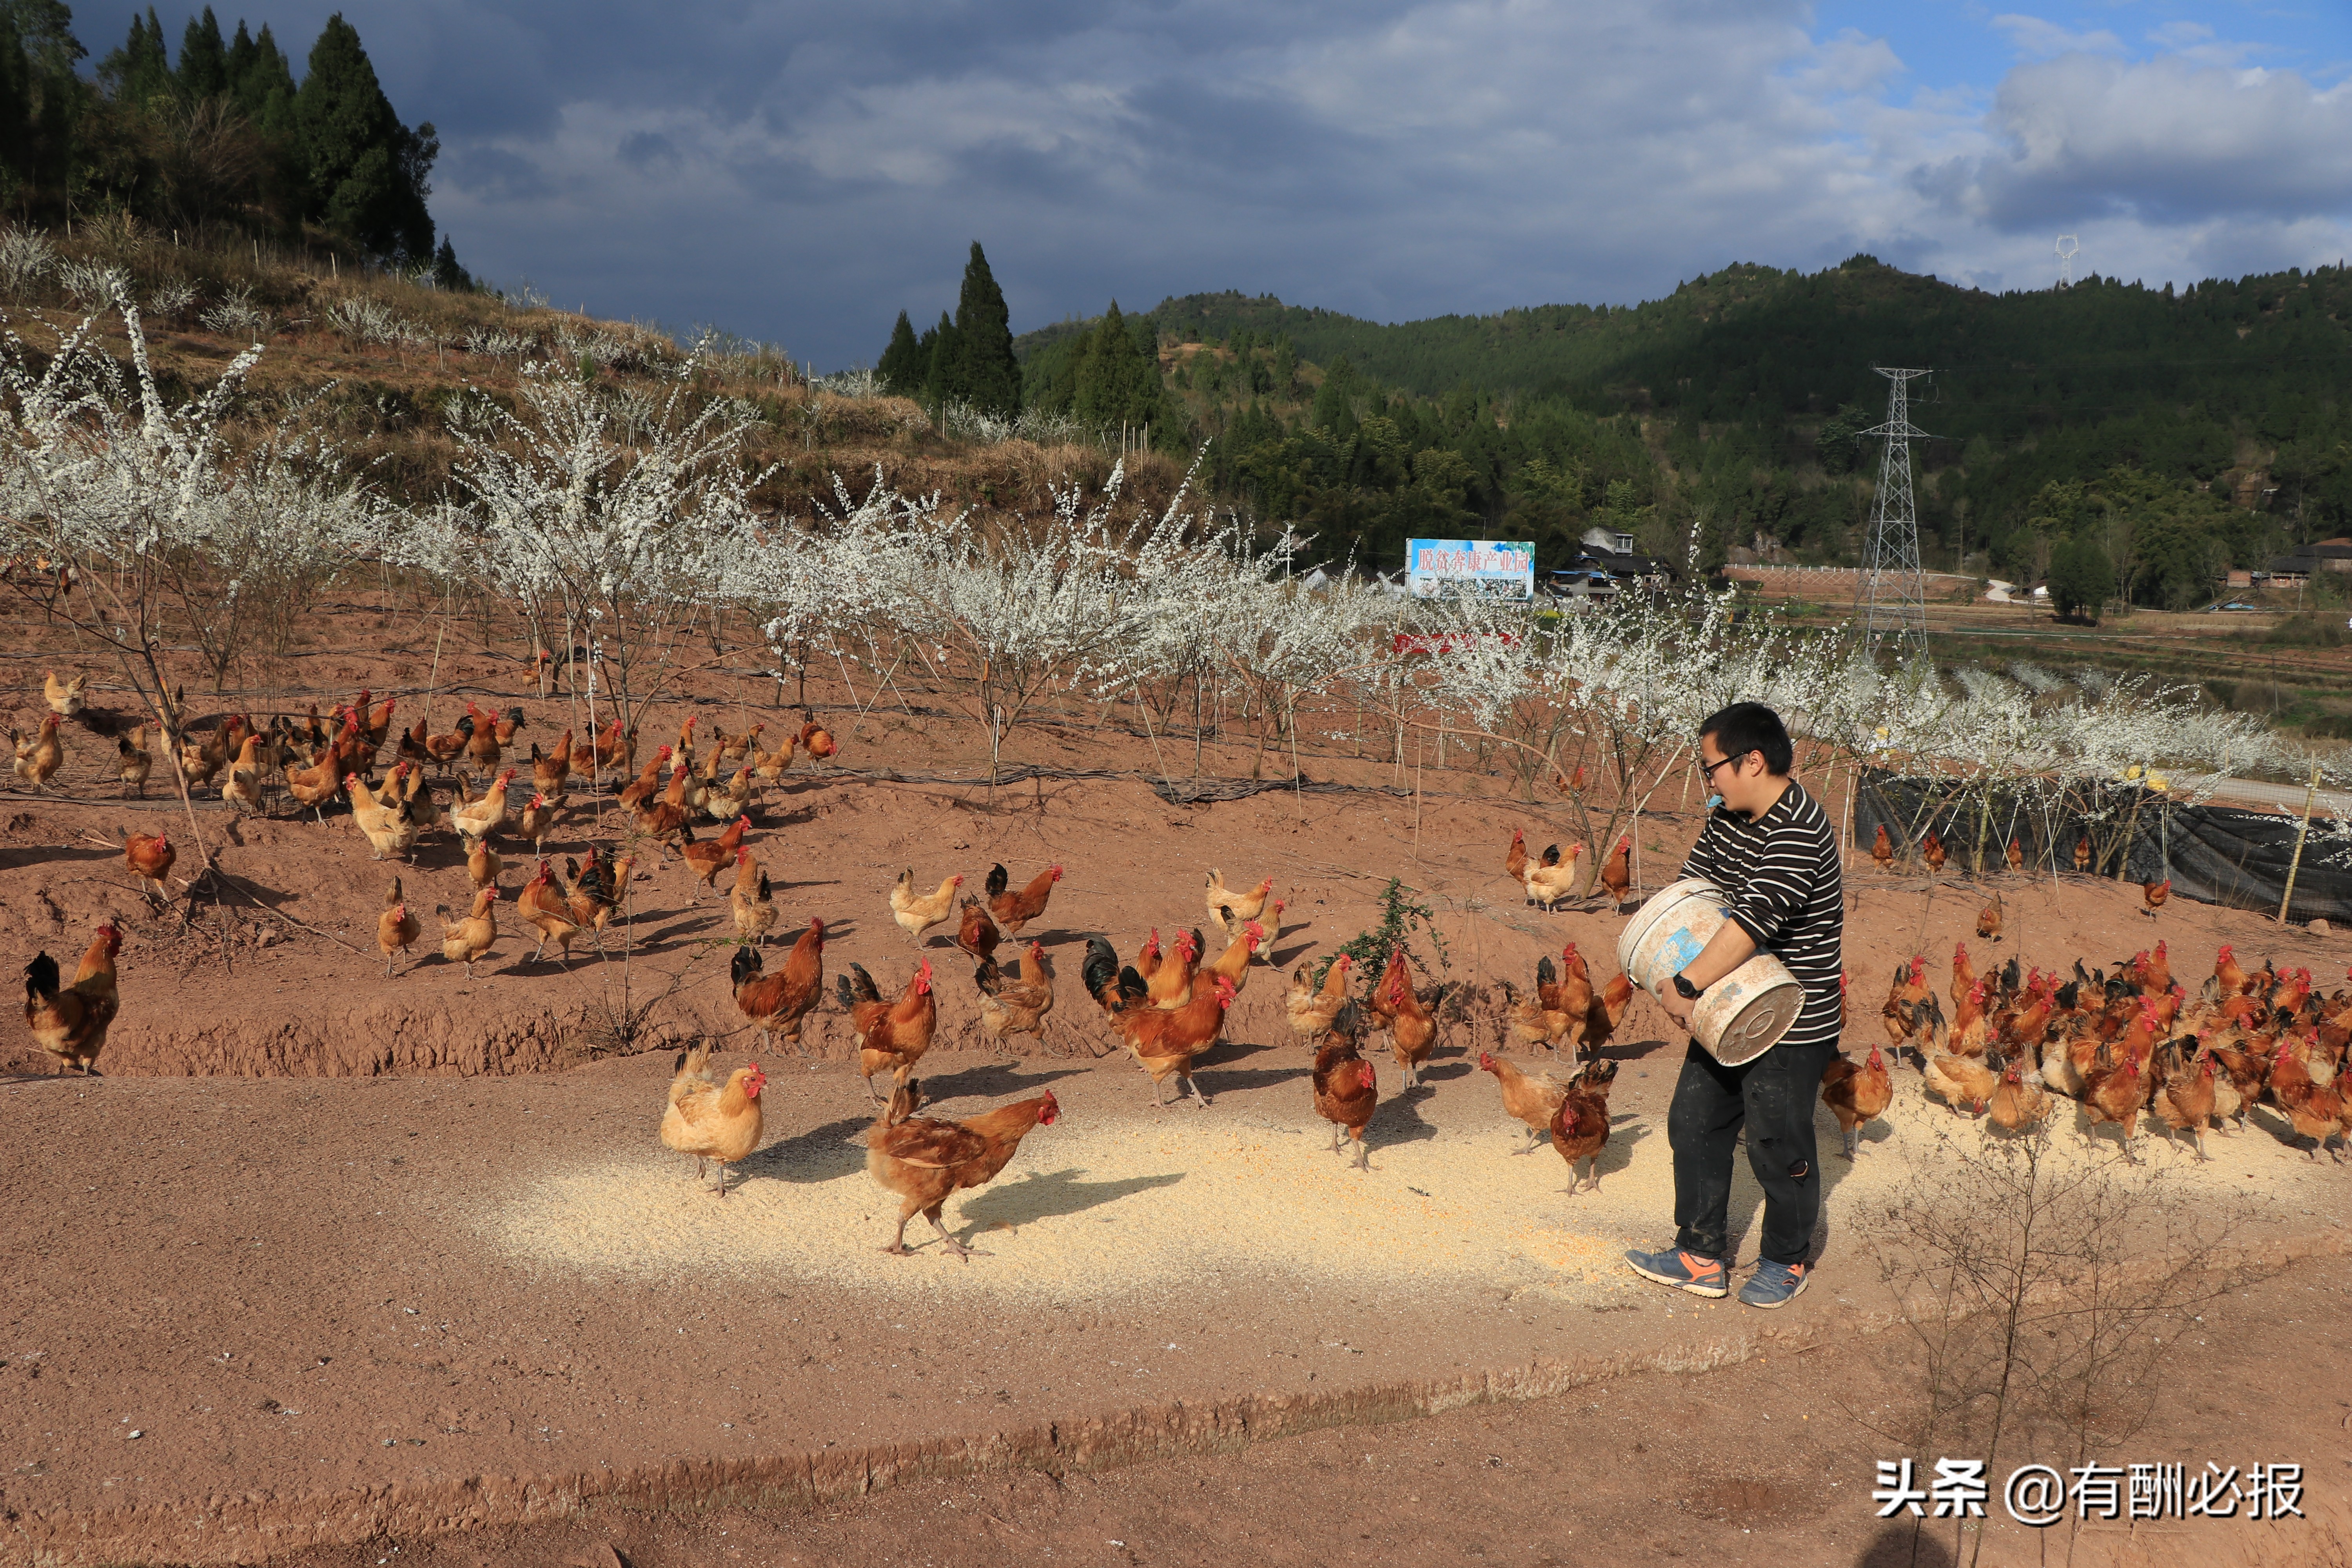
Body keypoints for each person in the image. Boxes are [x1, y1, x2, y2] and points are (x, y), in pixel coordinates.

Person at [1622, 701, 1843, 1309]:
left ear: (1753, 760)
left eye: (1710, 767)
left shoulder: (1801, 827)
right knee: (1694, 1124)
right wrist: (1666, 968)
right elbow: (1692, 893)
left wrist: (1687, 985)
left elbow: (1752, 922)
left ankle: (1787, 1257)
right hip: (1727, 1008)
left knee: (1778, 1143)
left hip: (1791, 1017)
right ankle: (1699, 1255)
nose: (1707, 780)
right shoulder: (1729, 819)